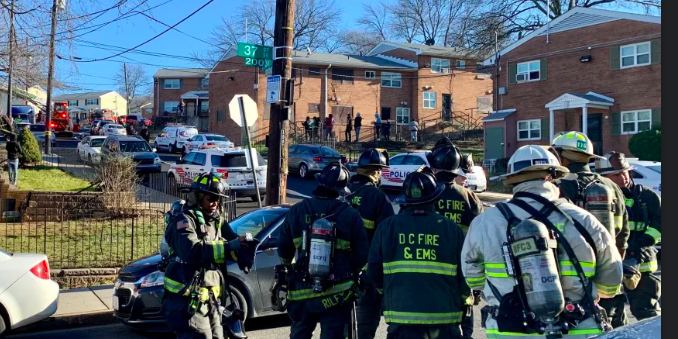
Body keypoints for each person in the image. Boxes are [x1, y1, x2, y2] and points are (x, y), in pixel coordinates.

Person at [462, 145, 623, 339]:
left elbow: (472, 276)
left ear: (512, 180)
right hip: (578, 330)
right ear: (552, 177)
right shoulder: (583, 219)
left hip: (511, 331)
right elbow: (611, 282)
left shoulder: (486, 222)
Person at [368, 169, 469, 339]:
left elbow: (374, 269)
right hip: (444, 318)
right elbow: (464, 274)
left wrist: (388, 292)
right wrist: (463, 300)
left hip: (402, 316)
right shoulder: (451, 228)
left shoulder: (387, 227)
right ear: (435, 198)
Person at [278, 163, 369, 339]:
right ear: (340, 190)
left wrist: (287, 268)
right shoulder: (350, 214)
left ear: (319, 183)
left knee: (299, 334)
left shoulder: (297, 210)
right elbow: (362, 254)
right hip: (337, 292)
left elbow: (284, 248)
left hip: (302, 290)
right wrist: (353, 273)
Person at [551, 131, 630, 328]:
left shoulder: (556, 186)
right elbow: (623, 233)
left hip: (573, 288)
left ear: (562, 156)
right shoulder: (611, 186)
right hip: (610, 279)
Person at [162, 173, 254, 339]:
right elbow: (193, 251)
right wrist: (231, 245)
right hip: (187, 302)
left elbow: (230, 245)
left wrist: (244, 251)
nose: (215, 203)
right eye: (211, 198)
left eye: (218, 199)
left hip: (211, 301)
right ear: (197, 197)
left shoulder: (216, 221)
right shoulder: (184, 221)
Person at [596, 152, 661, 321]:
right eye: (616, 174)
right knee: (611, 316)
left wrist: (642, 243)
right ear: (604, 178)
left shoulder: (647, 197)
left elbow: (660, 223)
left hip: (642, 262)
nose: (623, 177)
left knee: (648, 312)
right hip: (610, 264)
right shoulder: (598, 200)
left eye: (624, 172)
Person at [429, 145, 483, 339]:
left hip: (431, 267)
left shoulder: (427, 194)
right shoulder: (470, 197)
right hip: (463, 269)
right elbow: (480, 238)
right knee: (464, 323)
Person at [348, 149, 395, 339]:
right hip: (367, 274)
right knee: (365, 323)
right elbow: (389, 237)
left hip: (335, 273)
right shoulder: (377, 197)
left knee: (340, 324)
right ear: (376, 172)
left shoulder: (341, 191)